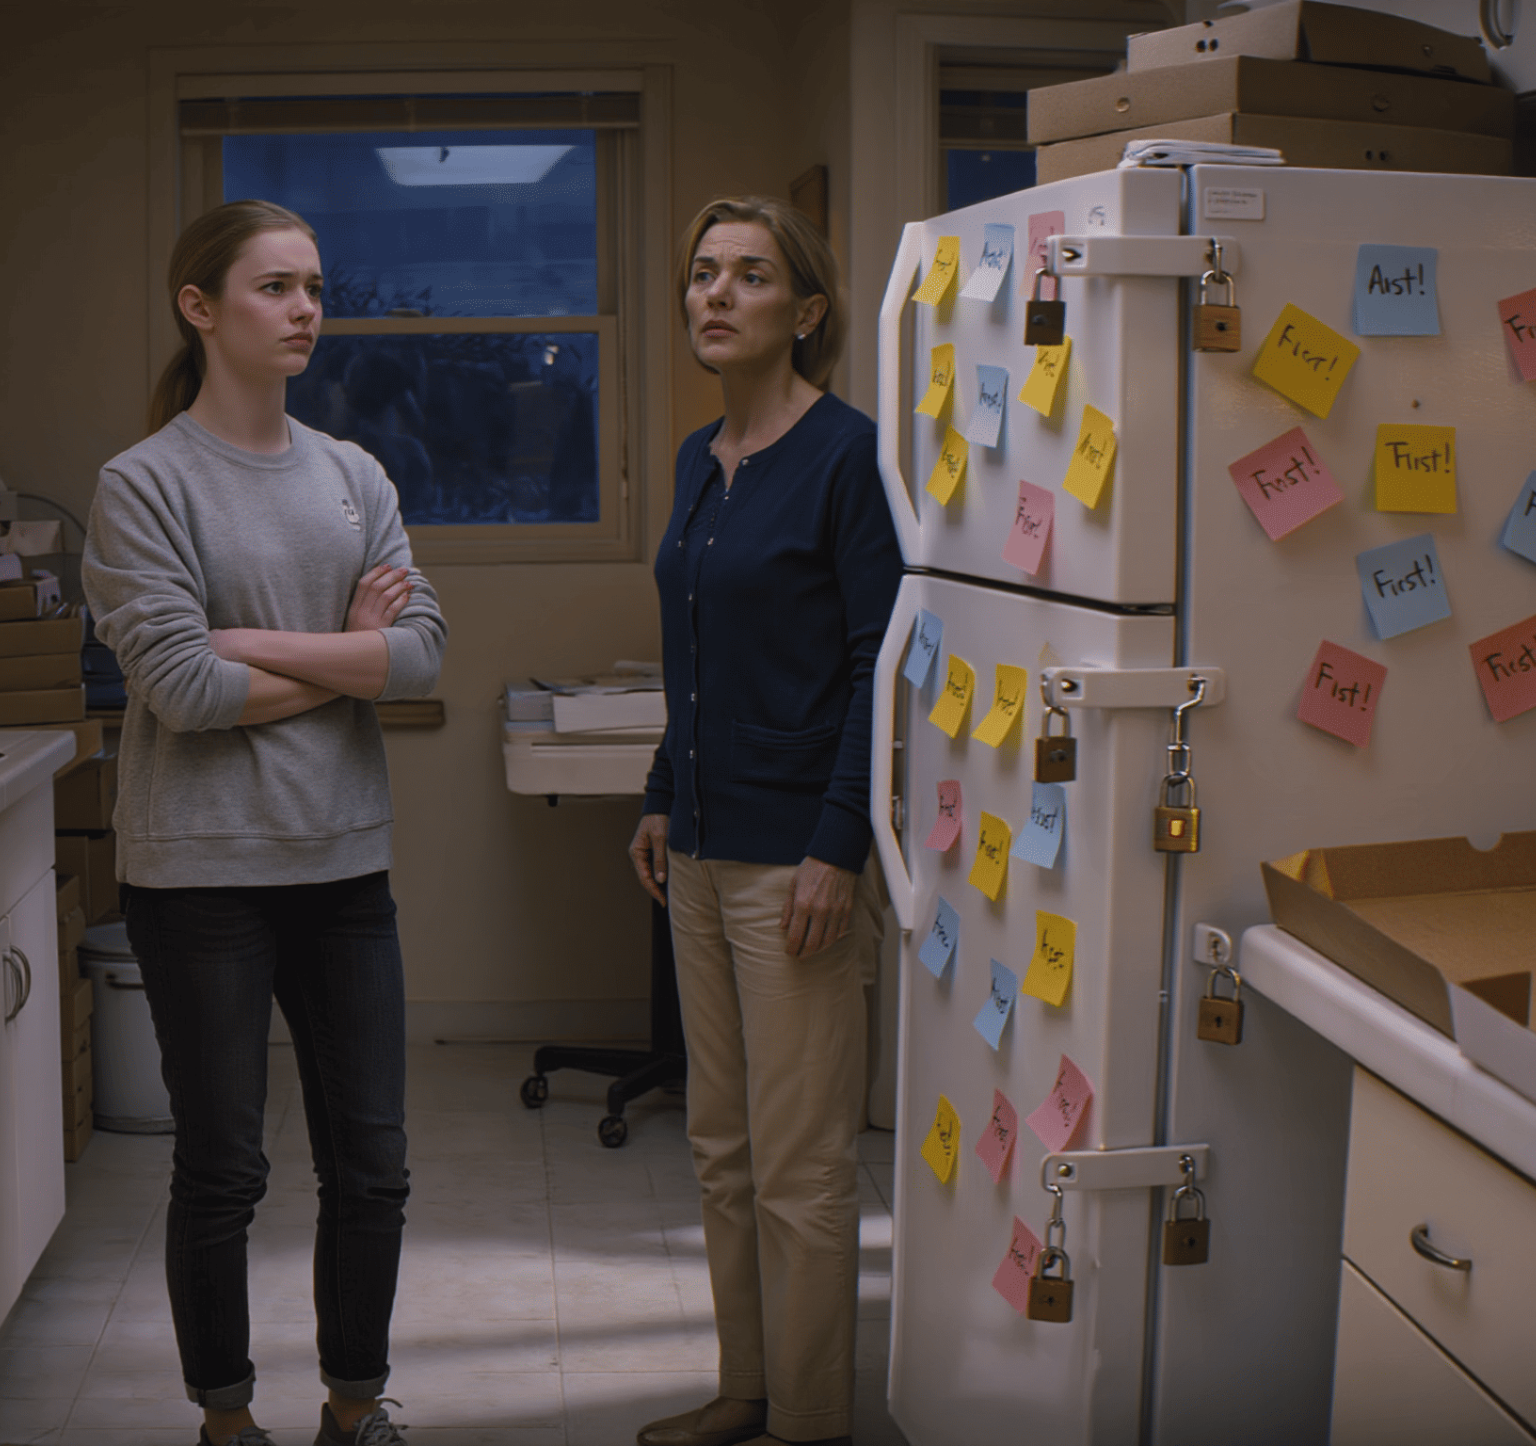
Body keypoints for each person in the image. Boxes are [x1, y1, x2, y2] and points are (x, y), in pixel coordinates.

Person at [83, 199, 447, 1446]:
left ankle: (354, 1409)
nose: (303, 310)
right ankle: (227, 1422)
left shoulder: (355, 476)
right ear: (201, 308)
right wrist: (349, 648)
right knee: (224, 1169)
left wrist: (268, 645)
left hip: (345, 868)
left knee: (373, 1166)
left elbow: (422, 660)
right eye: (273, 288)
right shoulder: (143, 487)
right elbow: (182, 694)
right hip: (200, 881)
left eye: (313, 288)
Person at [626, 196, 902, 1446]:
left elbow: (876, 668)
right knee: (721, 1150)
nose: (715, 294)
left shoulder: (849, 456)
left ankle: (811, 1419)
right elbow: (697, 654)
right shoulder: (698, 458)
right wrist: (659, 791)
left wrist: (836, 846)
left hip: (796, 863)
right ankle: (744, 1390)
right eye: (701, 274)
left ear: (805, 310)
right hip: (695, 854)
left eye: (748, 275)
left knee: (801, 1172)